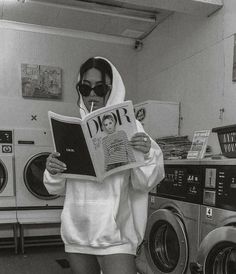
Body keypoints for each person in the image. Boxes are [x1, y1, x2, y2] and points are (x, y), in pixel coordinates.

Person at [43, 56, 164, 274]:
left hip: (116, 232)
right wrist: (52, 170)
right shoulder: (72, 131)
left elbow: (144, 183)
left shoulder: (132, 127)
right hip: (78, 230)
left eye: (100, 88)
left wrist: (146, 153)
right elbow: (56, 188)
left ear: (112, 88)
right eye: (85, 88)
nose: (92, 94)